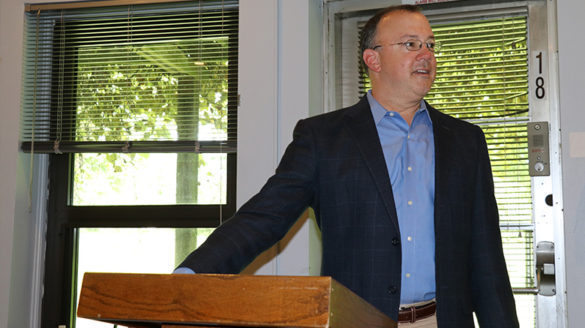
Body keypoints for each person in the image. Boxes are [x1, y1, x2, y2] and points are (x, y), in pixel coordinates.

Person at [175, 5, 519, 327]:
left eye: (430, 44)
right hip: (357, 320)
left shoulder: (465, 141)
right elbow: (264, 217)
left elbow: (486, 255)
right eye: (411, 44)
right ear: (374, 59)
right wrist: (190, 276)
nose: (426, 54)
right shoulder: (323, 137)